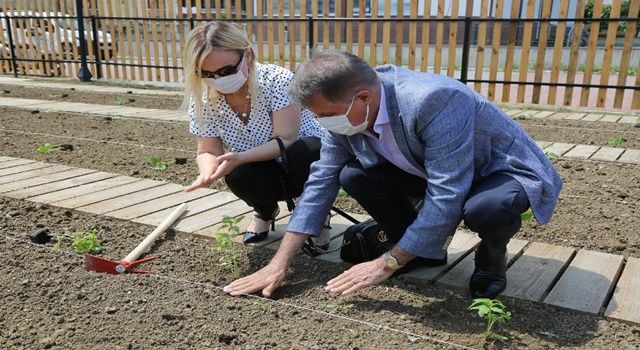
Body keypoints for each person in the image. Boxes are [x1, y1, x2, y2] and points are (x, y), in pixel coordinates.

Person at [223, 49, 563, 299]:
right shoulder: (346, 112)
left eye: (326, 113)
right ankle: (422, 251)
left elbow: (448, 192)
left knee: (485, 209)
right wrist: (279, 263)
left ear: (364, 97)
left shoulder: (435, 100)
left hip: (495, 170)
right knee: (353, 175)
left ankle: (491, 254)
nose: (324, 122)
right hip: (430, 167)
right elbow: (320, 182)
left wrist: (386, 263)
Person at [181, 21, 330, 248]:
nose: (217, 79)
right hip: (258, 164)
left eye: (226, 71)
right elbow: (208, 150)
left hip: (298, 159)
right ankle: (265, 211)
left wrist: (239, 157)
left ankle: (318, 213)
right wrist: (208, 172)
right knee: (237, 174)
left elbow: (285, 138)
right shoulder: (203, 97)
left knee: (309, 151)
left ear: (247, 56)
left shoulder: (276, 80)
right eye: (205, 73)